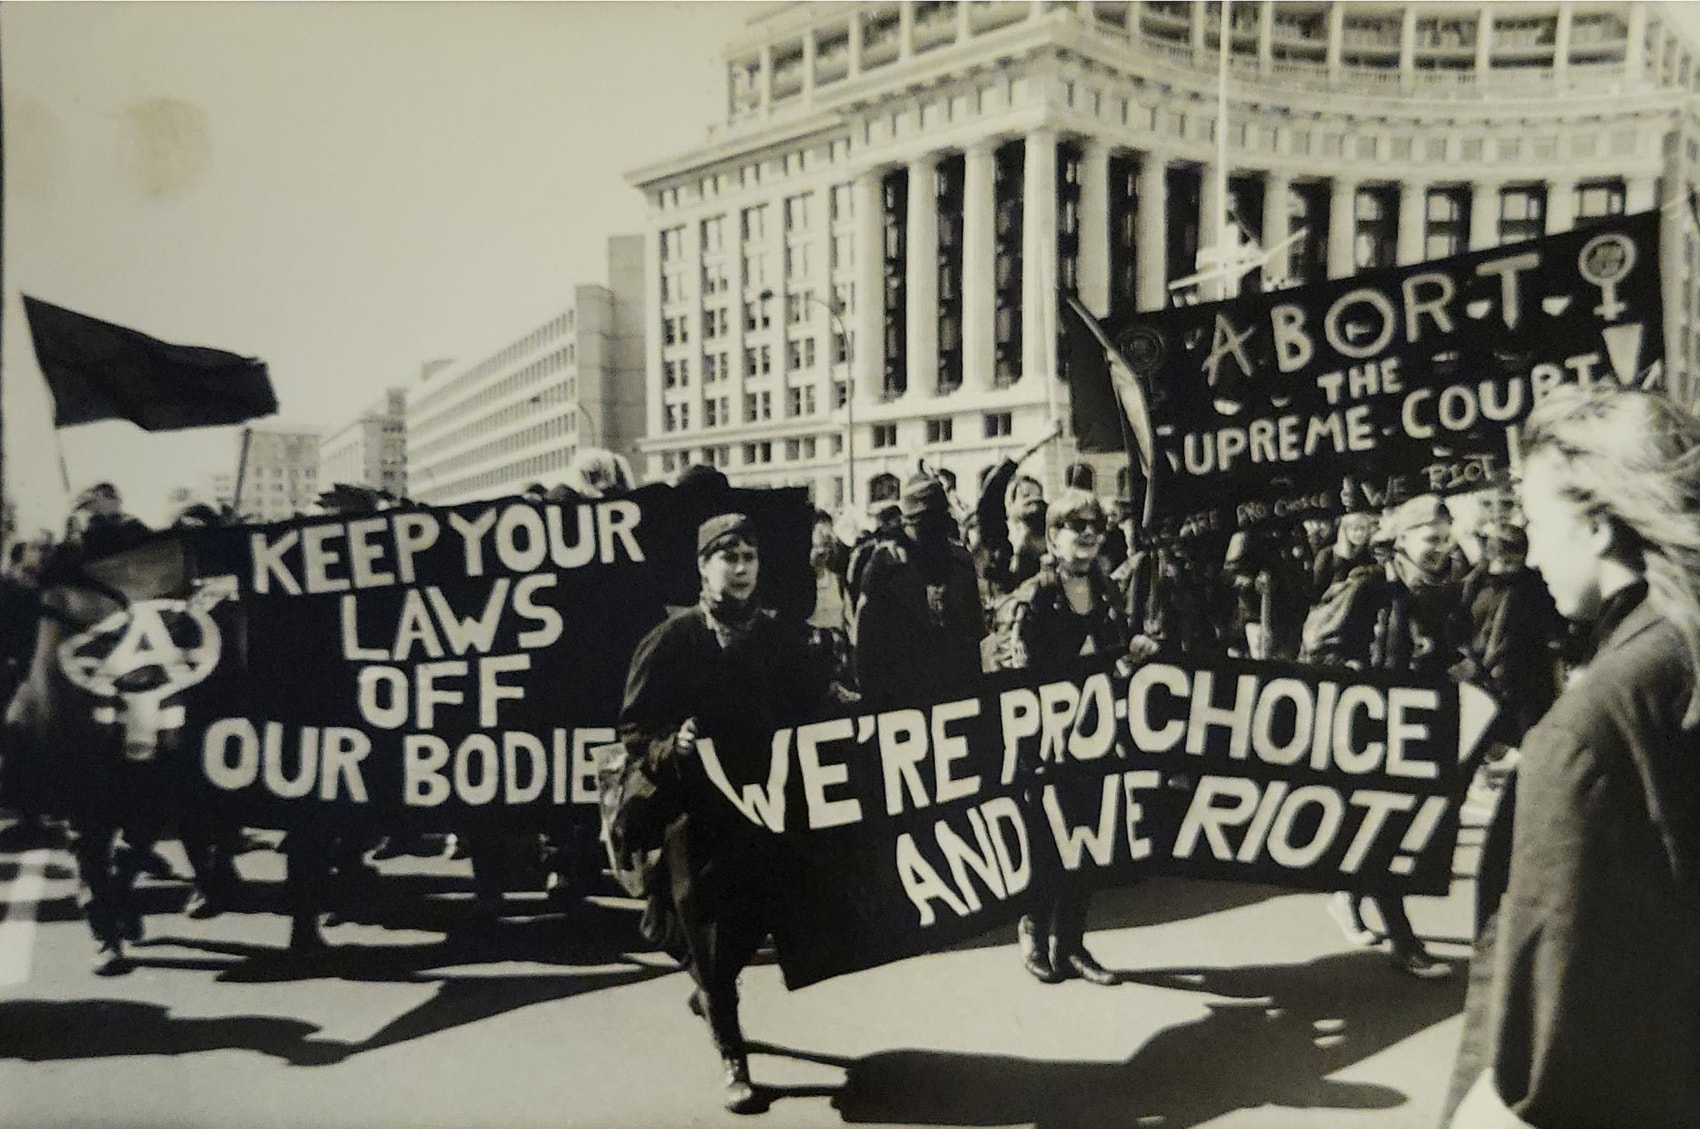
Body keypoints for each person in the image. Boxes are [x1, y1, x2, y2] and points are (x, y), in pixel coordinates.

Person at [1446, 385, 1700, 1127]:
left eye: (1531, 518)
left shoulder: (1588, 730)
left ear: (1594, 525)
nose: (1526, 545)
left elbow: (1546, 1063)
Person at [619, 514, 831, 1113]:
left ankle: (711, 989)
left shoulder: (778, 634)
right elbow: (635, 725)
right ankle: (733, 1055)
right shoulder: (673, 638)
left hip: (764, 804)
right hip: (697, 811)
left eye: (749, 557)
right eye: (727, 557)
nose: (741, 570)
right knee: (708, 928)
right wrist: (671, 745)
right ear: (702, 566)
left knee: (754, 922)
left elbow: (809, 704)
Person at [1300, 494, 1463, 979]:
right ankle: (1405, 942)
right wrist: (1358, 685)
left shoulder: (1435, 589)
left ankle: (1347, 900)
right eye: (1431, 539)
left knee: (1384, 828)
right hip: (1366, 729)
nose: (1440, 549)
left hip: (1410, 730)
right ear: (1401, 538)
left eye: (1446, 539)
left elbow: (1442, 655)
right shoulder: (1368, 585)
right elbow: (1318, 647)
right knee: (1384, 830)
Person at [1005, 491, 1131, 985]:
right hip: (1046, 741)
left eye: (1094, 526)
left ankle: (1073, 944)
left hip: (1095, 738)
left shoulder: (1107, 589)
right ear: (1053, 535)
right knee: (1046, 840)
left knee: (1087, 840)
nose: (1086, 535)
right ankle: (1034, 934)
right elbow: (1018, 671)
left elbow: (1115, 651)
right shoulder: (1036, 593)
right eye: (1073, 525)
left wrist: (1131, 653)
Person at [852, 474, 984, 709]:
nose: (933, 536)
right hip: (902, 697)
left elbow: (972, 634)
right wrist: (874, 702)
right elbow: (866, 646)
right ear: (907, 525)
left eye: (937, 525)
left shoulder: (960, 562)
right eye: (924, 527)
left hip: (956, 691)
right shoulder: (885, 567)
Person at [976, 423, 1060, 599]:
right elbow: (992, 491)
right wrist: (1033, 446)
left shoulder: (1056, 545)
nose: (1031, 497)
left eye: (1037, 494)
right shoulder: (997, 544)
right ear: (1007, 509)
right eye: (1022, 494)